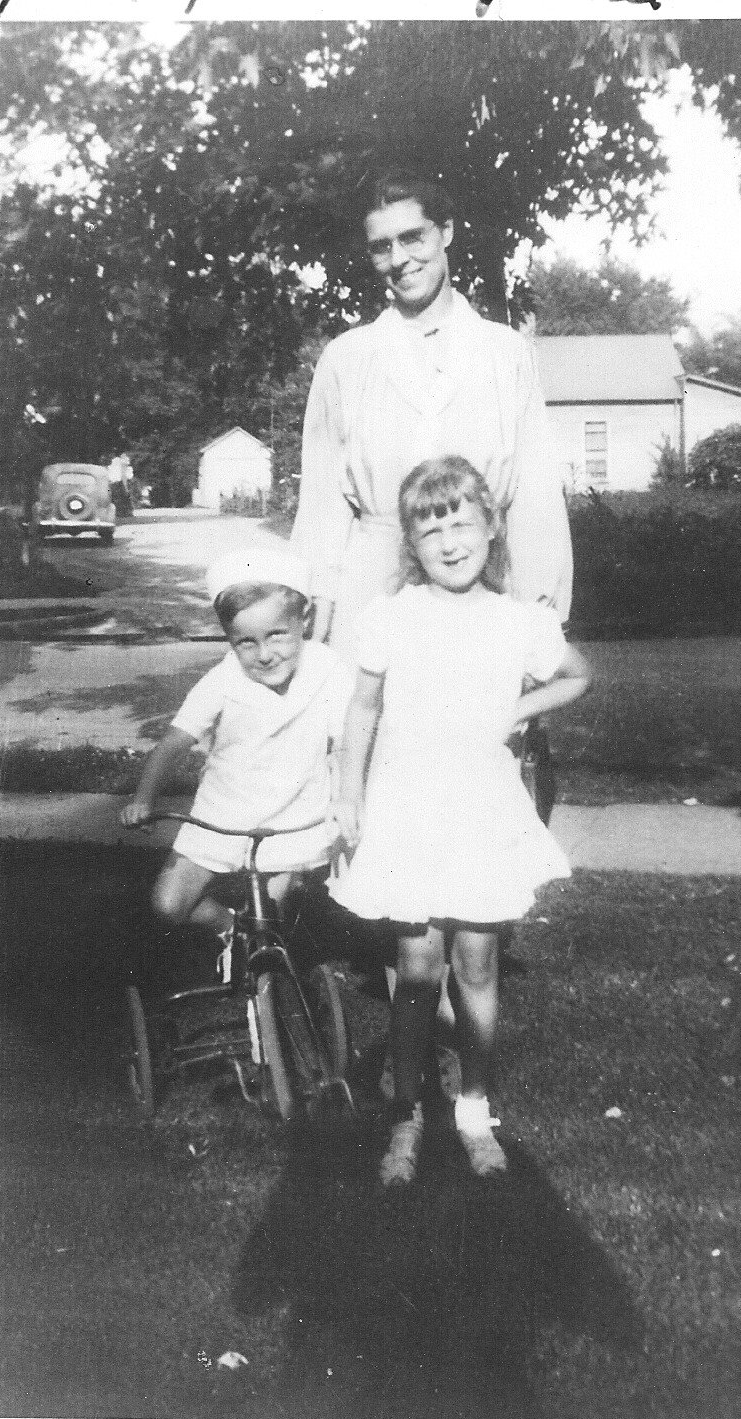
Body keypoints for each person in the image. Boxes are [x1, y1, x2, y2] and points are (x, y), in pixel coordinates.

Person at [291, 168, 573, 1046]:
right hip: (377, 573)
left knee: (482, 761)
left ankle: (474, 943)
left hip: (481, 583)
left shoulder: (504, 352)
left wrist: (541, 607)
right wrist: (315, 616)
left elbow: (533, 494)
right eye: (380, 246)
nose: (398, 258)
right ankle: (412, 968)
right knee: (383, 769)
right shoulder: (348, 358)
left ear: (446, 233)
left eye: (413, 237)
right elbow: (320, 501)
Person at [331, 457, 591, 1187]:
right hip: (409, 810)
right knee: (417, 967)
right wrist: (348, 793)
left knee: (476, 963)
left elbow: (578, 674)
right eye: (430, 529)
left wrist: (518, 708)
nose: (449, 542)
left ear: (492, 527)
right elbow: (362, 709)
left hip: (481, 811)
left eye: (462, 524)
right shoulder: (390, 617)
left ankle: (475, 1107)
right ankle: (407, 1112)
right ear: (411, 544)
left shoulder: (520, 621)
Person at [121, 547, 354, 975]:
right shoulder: (223, 680)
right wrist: (143, 799)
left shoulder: (328, 669)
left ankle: (268, 987)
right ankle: (231, 929)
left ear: (304, 621)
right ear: (229, 640)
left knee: (272, 922)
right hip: (222, 812)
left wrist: (344, 797)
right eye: (246, 642)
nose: (264, 654)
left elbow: (345, 742)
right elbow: (173, 743)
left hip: (295, 813)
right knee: (168, 904)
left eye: (277, 635)